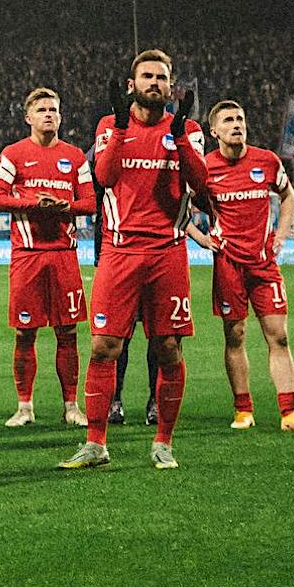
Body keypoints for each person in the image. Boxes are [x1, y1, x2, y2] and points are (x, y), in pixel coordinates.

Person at [59, 50, 210, 472]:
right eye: (147, 76)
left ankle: (163, 442)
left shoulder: (189, 130)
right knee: (103, 346)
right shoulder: (110, 126)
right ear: (131, 85)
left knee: (168, 348)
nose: (154, 83)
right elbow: (105, 176)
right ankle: (95, 443)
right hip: (120, 251)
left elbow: (201, 183)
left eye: (162, 77)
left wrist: (181, 137)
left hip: (167, 253)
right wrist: (123, 126)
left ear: (171, 87)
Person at [186, 100, 294, 433]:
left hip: (263, 265)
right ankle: (243, 409)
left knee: (279, 337)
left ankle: (290, 412)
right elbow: (178, 204)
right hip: (228, 265)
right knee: (236, 336)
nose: (236, 124)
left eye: (240, 119)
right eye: (228, 120)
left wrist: (281, 234)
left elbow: (288, 196)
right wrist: (199, 238)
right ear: (214, 131)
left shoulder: (266, 161)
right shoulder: (204, 169)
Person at [0, 88, 92, 429]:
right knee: (24, 333)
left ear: (60, 116)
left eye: (54, 109)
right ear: (28, 117)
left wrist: (65, 207)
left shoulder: (75, 157)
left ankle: (71, 407)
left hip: (64, 255)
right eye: (42, 109)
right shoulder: (13, 154)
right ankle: (25, 407)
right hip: (27, 256)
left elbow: (90, 203)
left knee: (68, 332)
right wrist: (34, 203)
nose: (49, 114)